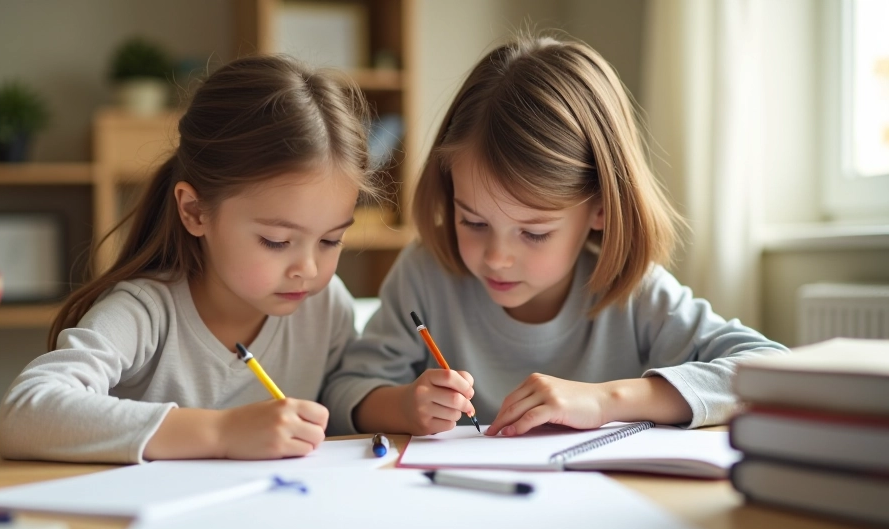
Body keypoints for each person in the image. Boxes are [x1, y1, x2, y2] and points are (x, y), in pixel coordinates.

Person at [323, 35, 787, 437]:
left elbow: (773, 372)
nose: (497, 257)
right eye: (474, 222)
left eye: (534, 232)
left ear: (601, 209)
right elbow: (345, 390)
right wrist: (403, 406)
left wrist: (608, 400)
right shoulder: (427, 274)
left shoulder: (630, 291)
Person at [0, 54, 376, 463]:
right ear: (195, 211)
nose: (310, 269)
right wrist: (222, 432)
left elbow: (341, 398)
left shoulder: (325, 304)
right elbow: (25, 411)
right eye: (276, 241)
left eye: (331, 240)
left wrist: (401, 403)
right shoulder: (147, 311)